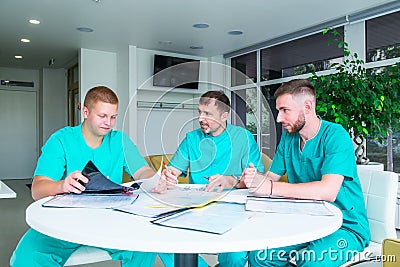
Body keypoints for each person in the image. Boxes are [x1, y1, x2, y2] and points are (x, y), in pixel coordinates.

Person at [10, 86, 157, 267]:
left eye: (113, 117)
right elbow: (37, 189)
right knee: (26, 257)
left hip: (111, 221)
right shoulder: (61, 140)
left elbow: (141, 171)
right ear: (85, 112)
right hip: (65, 222)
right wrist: (62, 185)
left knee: (146, 244)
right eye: (102, 116)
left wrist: (155, 179)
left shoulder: (119, 140)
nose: (108, 123)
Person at [243, 79, 370, 266]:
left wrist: (269, 187)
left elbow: (328, 191)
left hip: (345, 227)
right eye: (278, 111)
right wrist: (252, 178)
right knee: (260, 256)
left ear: (308, 107)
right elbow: (270, 178)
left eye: (285, 110)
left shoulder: (335, 135)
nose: (278, 118)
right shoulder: (289, 137)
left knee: (310, 261)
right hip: (305, 221)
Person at [154, 90, 265, 267]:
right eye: (199, 112)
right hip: (196, 208)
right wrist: (168, 178)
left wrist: (232, 180)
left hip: (233, 209)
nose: (200, 118)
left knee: (235, 256)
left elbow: (257, 178)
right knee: (161, 239)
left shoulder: (243, 138)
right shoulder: (192, 138)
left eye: (207, 114)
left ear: (224, 115)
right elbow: (173, 170)